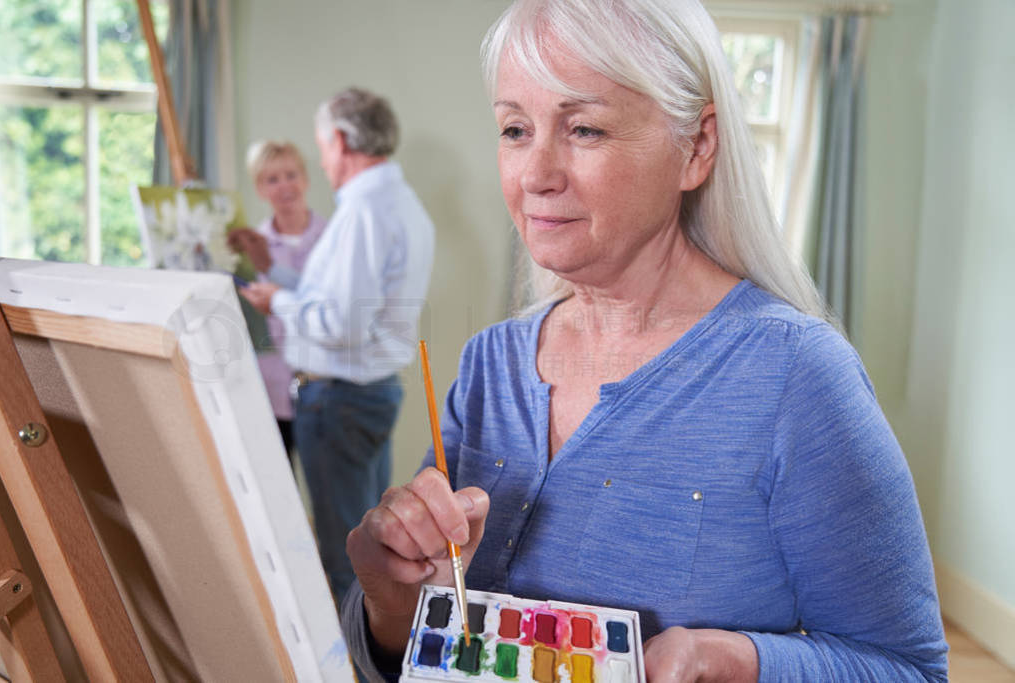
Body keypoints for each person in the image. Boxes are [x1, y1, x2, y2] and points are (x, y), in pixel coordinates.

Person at [340, 1, 949, 681]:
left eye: (585, 129)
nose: (535, 173)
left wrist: (735, 660)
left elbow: (908, 669)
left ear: (695, 148)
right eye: (515, 128)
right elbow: (425, 646)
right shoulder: (488, 363)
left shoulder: (798, 376)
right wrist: (390, 604)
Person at [239, 88, 435, 606]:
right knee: (372, 542)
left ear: (341, 140)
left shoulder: (362, 212)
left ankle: (354, 666)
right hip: (367, 392)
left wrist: (279, 300)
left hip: (339, 401)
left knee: (348, 556)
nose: (322, 159)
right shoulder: (399, 203)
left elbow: (339, 323)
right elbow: (337, 299)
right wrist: (278, 280)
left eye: (321, 145)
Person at [228, 141, 326, 457]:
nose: (284, 185)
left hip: (324, 382)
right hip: (270, 384)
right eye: (272, 179)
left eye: (291, 175)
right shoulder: (251, 245)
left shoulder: (332, 238)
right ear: (259, 188)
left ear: (306, 179)